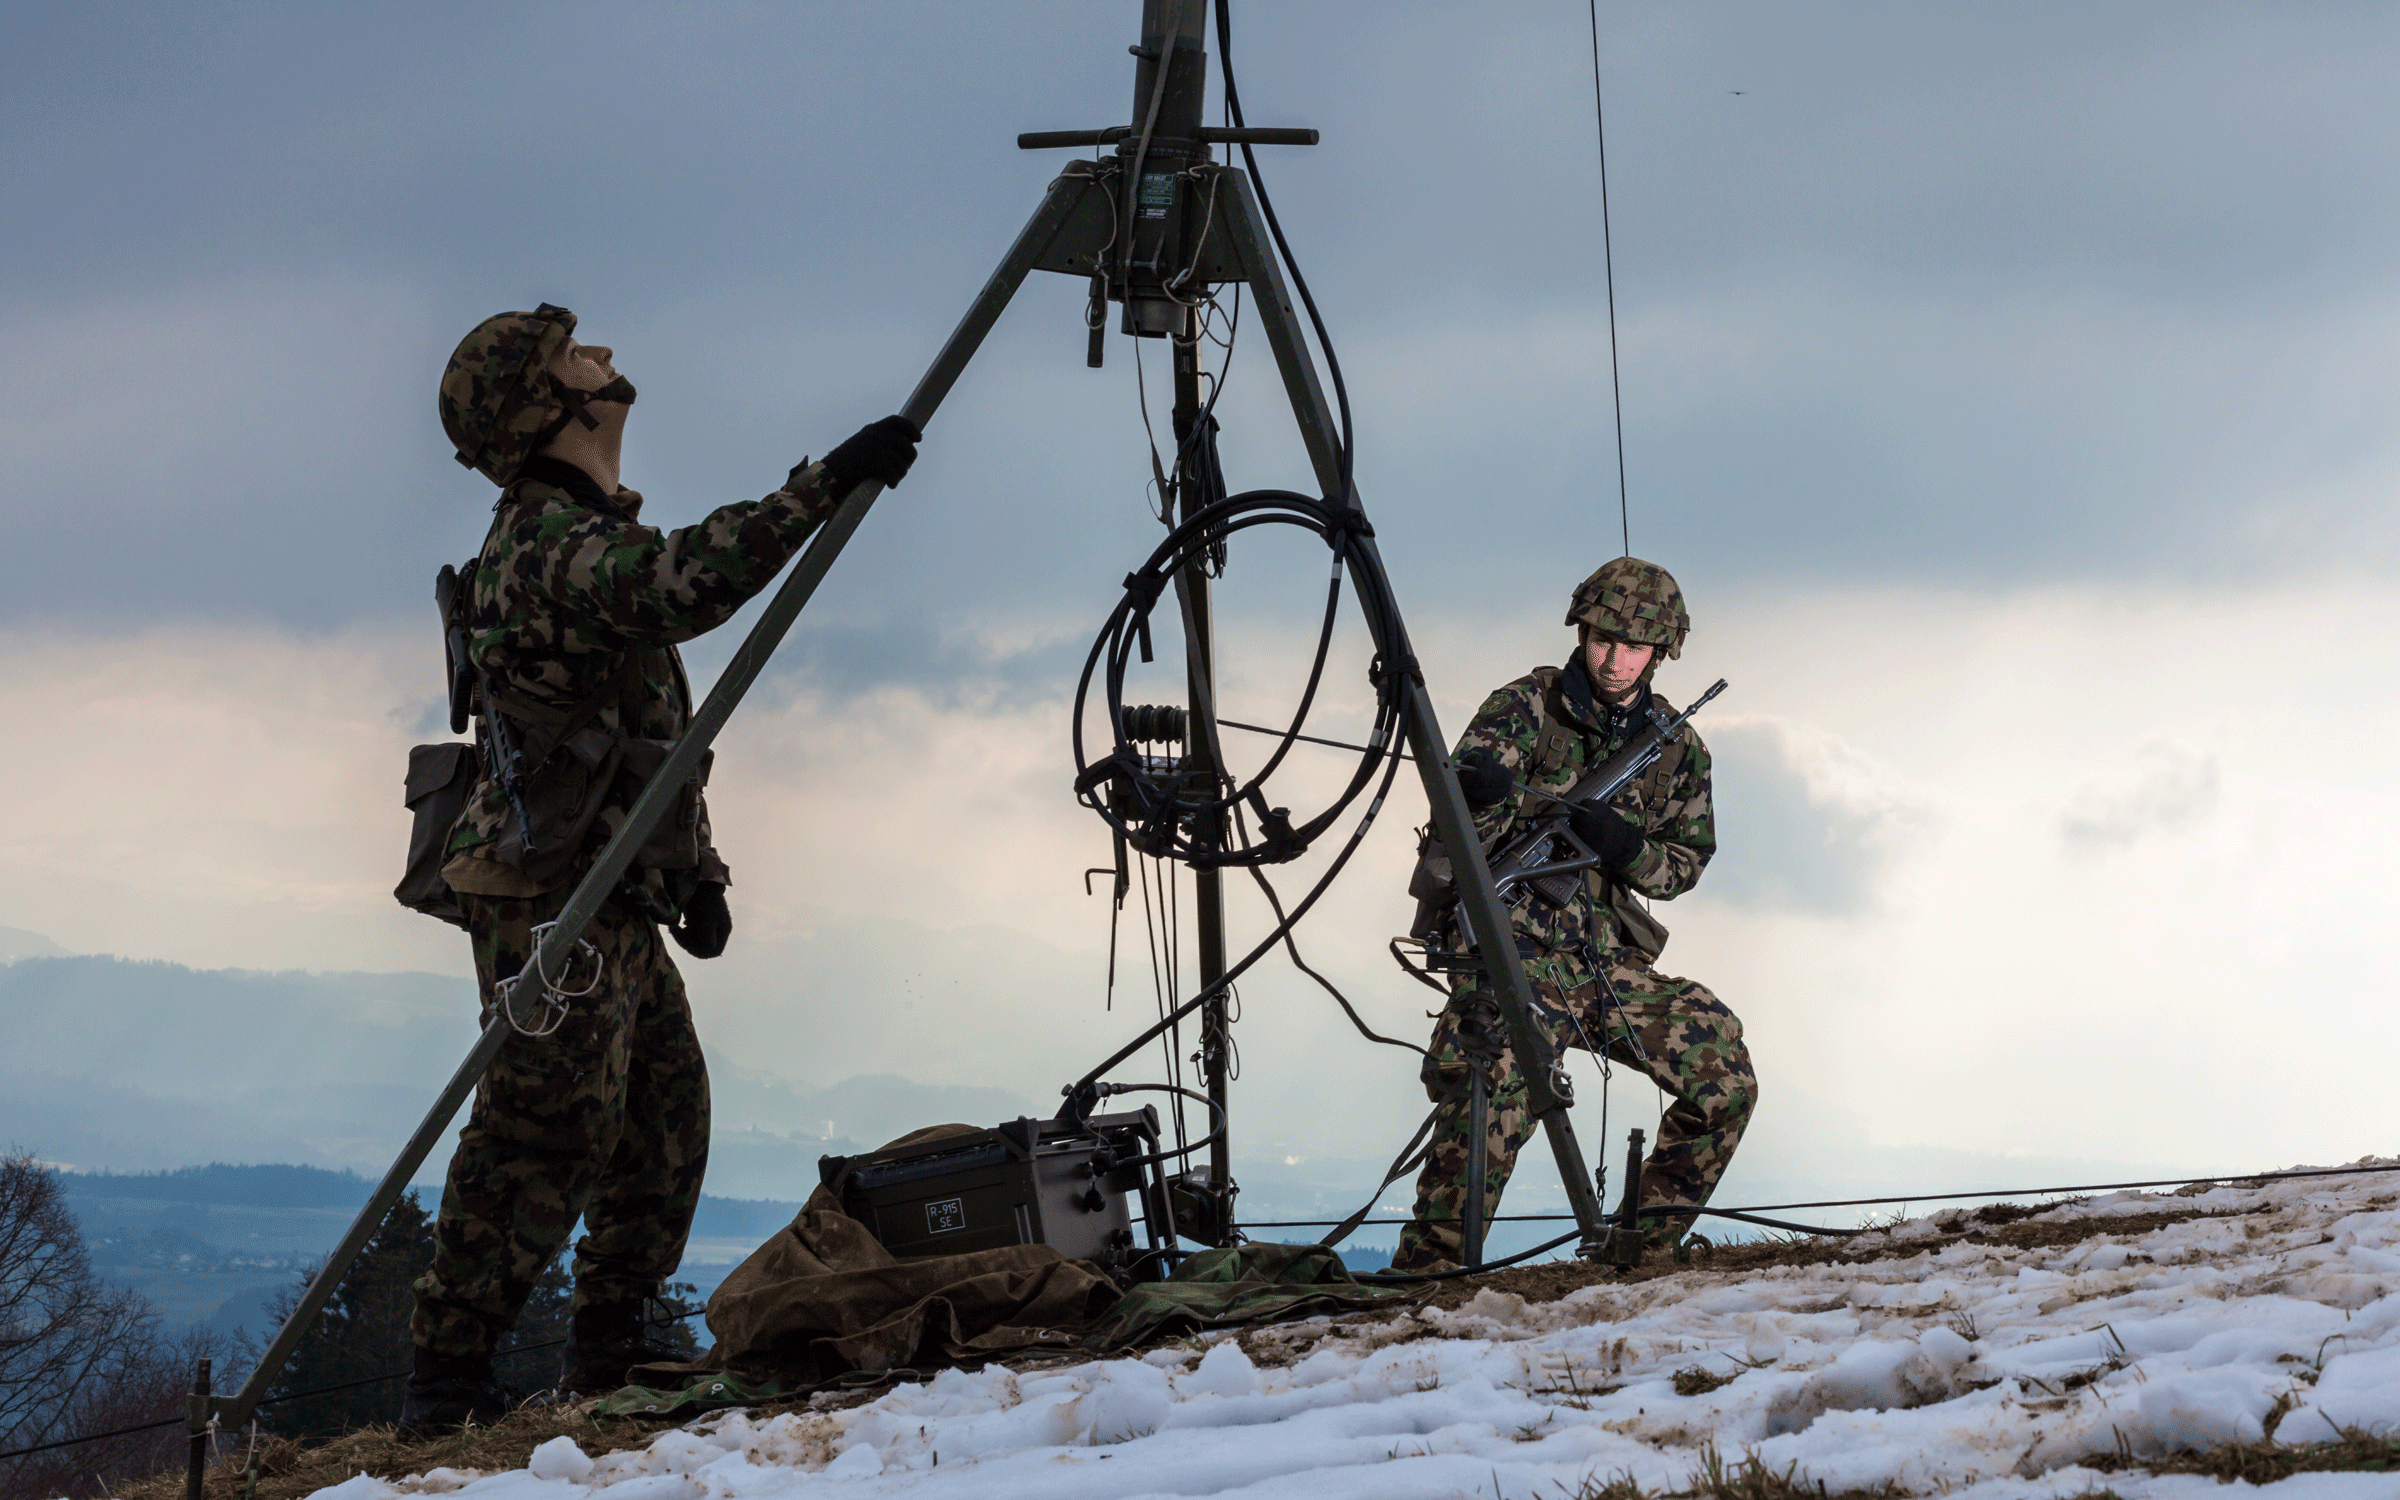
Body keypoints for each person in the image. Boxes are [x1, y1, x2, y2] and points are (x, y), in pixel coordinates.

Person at [402, 303, 921, 1431]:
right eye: (573, 355)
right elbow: (685, 582)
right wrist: (822, 485)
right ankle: (446, 1380)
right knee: (542, 1127)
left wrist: (699, 871)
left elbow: (643, 739)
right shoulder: (549, 542)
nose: (603, 357)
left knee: (662, 1115)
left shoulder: (574, 534)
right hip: (550, 895)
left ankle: (613, 1337)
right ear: (547, 406)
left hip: (606, 887)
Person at [1392, 557, 1754, 1273]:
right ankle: (1429, 1278)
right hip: (1510, 955)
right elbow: (1457, 827)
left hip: (1604, 965)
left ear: (1660, 651)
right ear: (1581, 632)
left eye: (1634, 646)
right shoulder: (1525, 707)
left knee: (1725, 1073)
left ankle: (1641, 1252)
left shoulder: (1677, 750)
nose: (1615, 660)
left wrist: (1626, 848)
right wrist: (1479, 794)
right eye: (1602, 640)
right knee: (1491, 1089)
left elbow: (1684, 864)